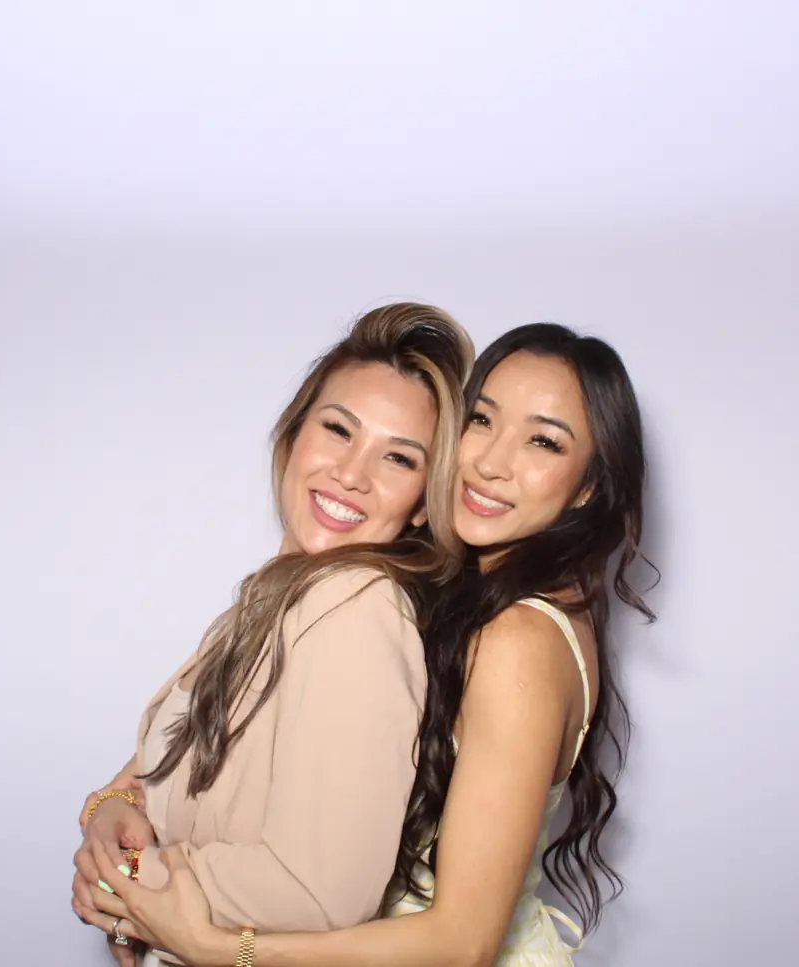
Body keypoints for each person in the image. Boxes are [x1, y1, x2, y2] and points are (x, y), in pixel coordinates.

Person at [80, 323, 656, 967]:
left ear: (586, 488)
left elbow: (464, 944)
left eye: (544, 442)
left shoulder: (518, 638)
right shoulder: (443, 600)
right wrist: (112, 813)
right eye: (483, 420)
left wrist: (217, 947)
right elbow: (171, 758)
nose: (492, 462)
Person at [71, 303, 475, 966]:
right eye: (338, 428)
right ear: (294, 434)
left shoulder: (357, 607)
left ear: (424, 500)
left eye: (397, 458)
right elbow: (148, 778)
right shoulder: (273, 597)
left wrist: (129, 882)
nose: (350, 472)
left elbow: (321, 887)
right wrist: (113, 821)